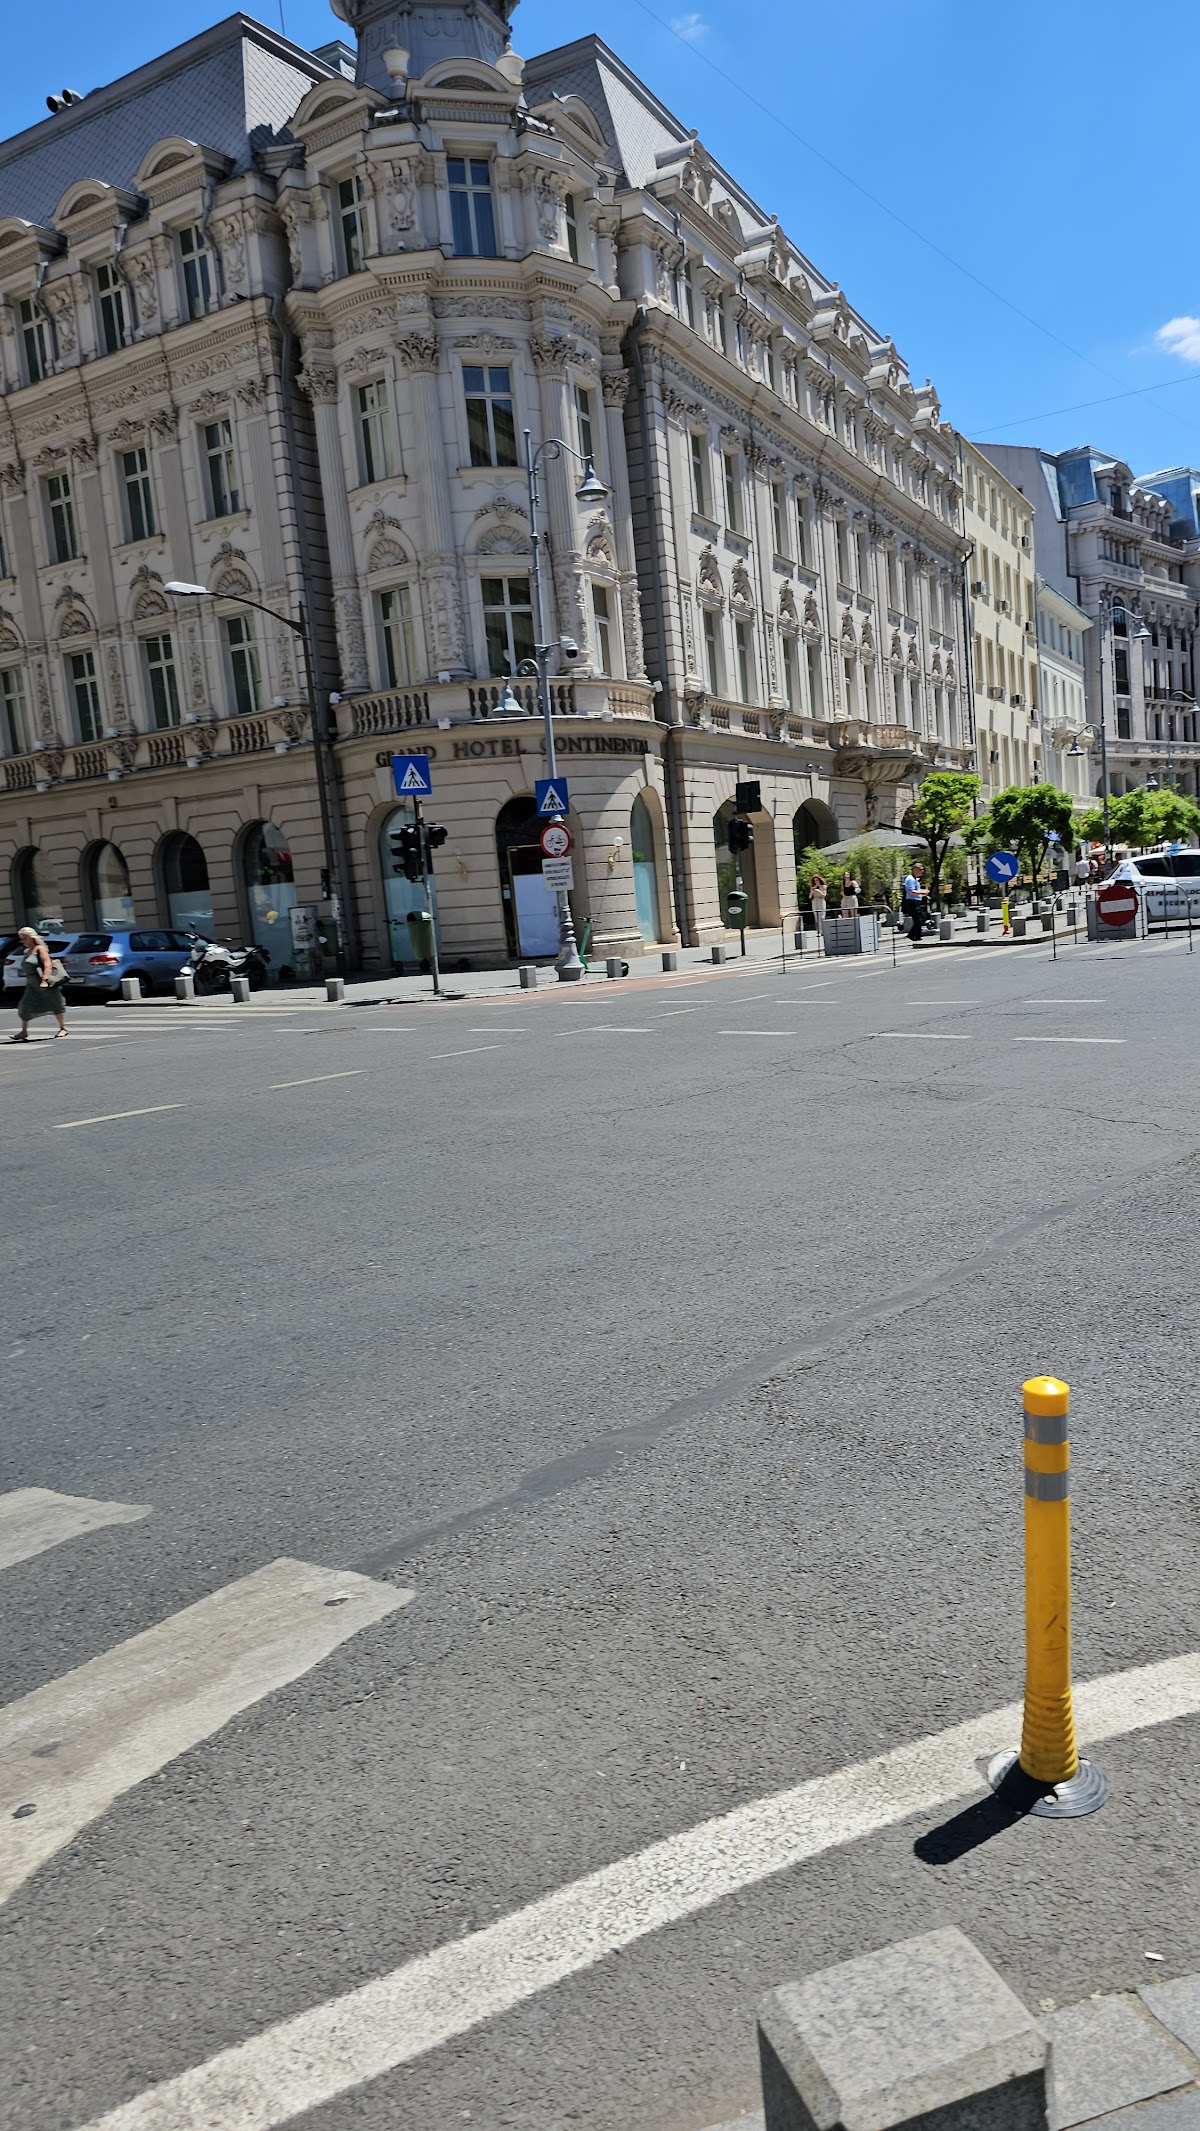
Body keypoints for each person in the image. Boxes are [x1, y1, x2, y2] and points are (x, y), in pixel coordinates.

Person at [9, 927, 68, 1042]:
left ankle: (63, 1028)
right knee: (25, 1006)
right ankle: (24, 1031)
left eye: (25, 938)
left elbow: (47, 965)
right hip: (32, 985)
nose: (23, 941)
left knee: (55, 1005)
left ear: (32, 937)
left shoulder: (40, 949)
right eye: (21, 939)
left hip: (44, 984)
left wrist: (45, 980)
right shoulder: (27, 952)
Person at [902, 861, 929, 943]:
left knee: (920, 918)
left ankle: (914, 935)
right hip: (912, 902)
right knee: (918, 919)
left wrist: (924, 892)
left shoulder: (915, 879)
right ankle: (915, 936)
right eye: (921, 869)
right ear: (915, 870)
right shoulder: (910, 879)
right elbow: (911, 892)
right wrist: (922, 892)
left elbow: (916, 890)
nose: (922, 871)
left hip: (916, 901)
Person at [808, 871, 828, 941]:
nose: (816, 881)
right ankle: (819, 931)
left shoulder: (823, 886)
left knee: (821, 916)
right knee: (816, 916)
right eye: (814, 880)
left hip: (821, 900)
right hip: (815, 901)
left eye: (817, 880)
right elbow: (810, 897)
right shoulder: (812, 887)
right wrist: (812, 891)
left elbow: (824, 895)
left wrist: (819, 891)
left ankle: (823, 931)